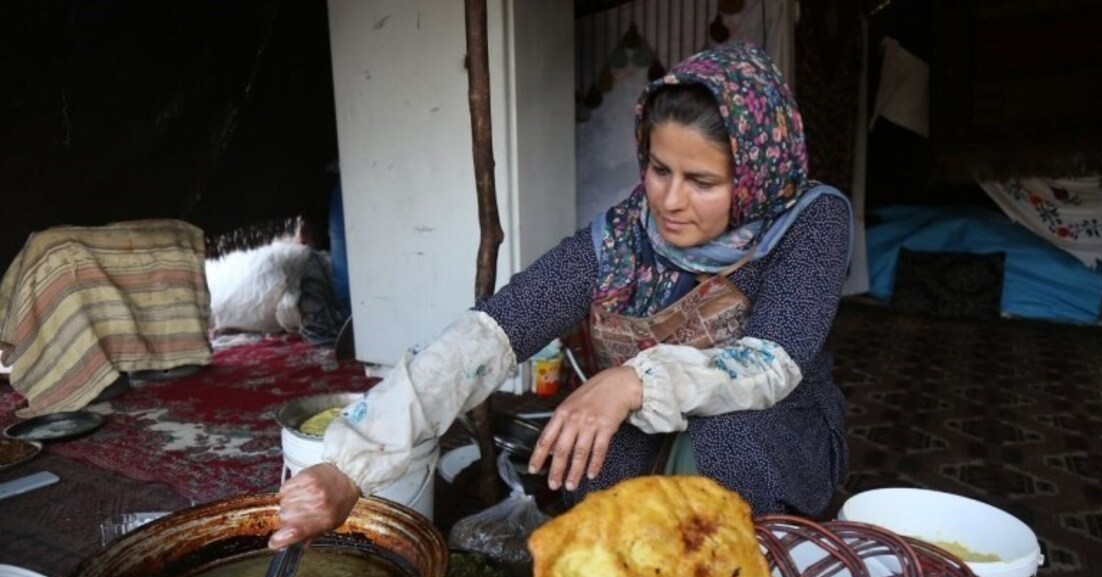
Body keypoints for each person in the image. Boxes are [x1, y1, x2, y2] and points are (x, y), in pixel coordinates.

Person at [270, 40, 852, 550]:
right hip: (652, 437)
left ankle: (747, 572)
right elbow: (491, 334)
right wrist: (350, 465)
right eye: (657, 169)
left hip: (770, 437)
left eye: (702, 182)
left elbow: (771, 362)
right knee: (598, 461)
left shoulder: (809, 222)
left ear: (755, 176)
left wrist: (631, 380)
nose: (670, 202)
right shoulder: (624, 237)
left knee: (730, 432)